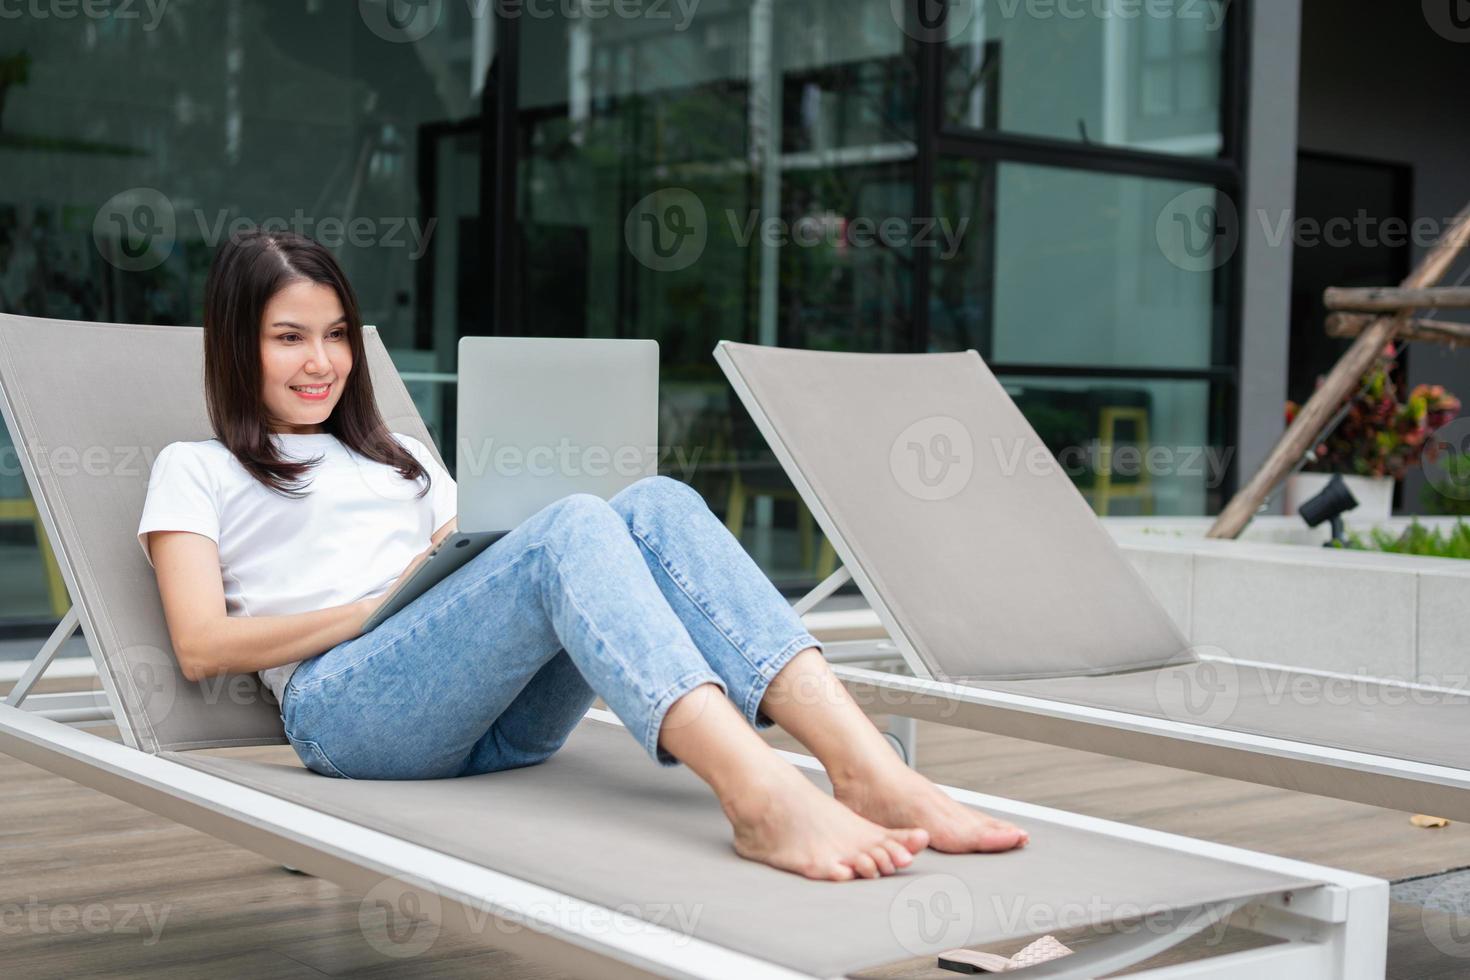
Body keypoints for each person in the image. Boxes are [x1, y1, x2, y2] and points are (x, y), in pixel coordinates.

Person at [138, 230, 1027, 882]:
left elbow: (481, 562)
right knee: (566, 527)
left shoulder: (401, 457)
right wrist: (379, 608)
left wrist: (448, 573)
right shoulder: (198, 468)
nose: (321, 361)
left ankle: (867, 770)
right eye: (289, 336)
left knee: (653, 501)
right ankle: (760, 795)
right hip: (348, 714)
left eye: (336, 335)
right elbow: (201, 647)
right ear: (236, 343)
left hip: (500, 725)